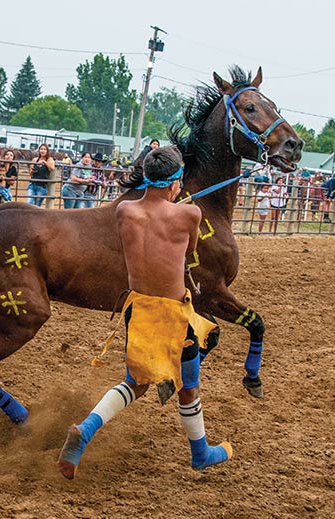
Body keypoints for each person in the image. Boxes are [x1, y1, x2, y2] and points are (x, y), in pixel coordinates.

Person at [58, 146, 232, 479]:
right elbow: (190, 249)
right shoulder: (189, 215)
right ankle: (201, 453)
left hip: (138, 307)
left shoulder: (125, 211)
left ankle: (85, 432)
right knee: (188, 385)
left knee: (135, 383)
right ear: (175, 183)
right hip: (173, 314)